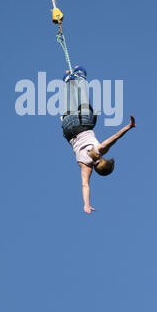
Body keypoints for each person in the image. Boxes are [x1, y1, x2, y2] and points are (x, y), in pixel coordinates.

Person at [61, 66, 136, 214]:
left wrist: (129, 126)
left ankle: (80, 76)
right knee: (69, 100)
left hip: (84, 123)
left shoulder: (99, 150)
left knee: (83, 99)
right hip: (68, 127)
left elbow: (115, 137)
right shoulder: (85, 167)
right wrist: (86, 204)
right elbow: (85, 186)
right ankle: (68, 81)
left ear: (105, 160)